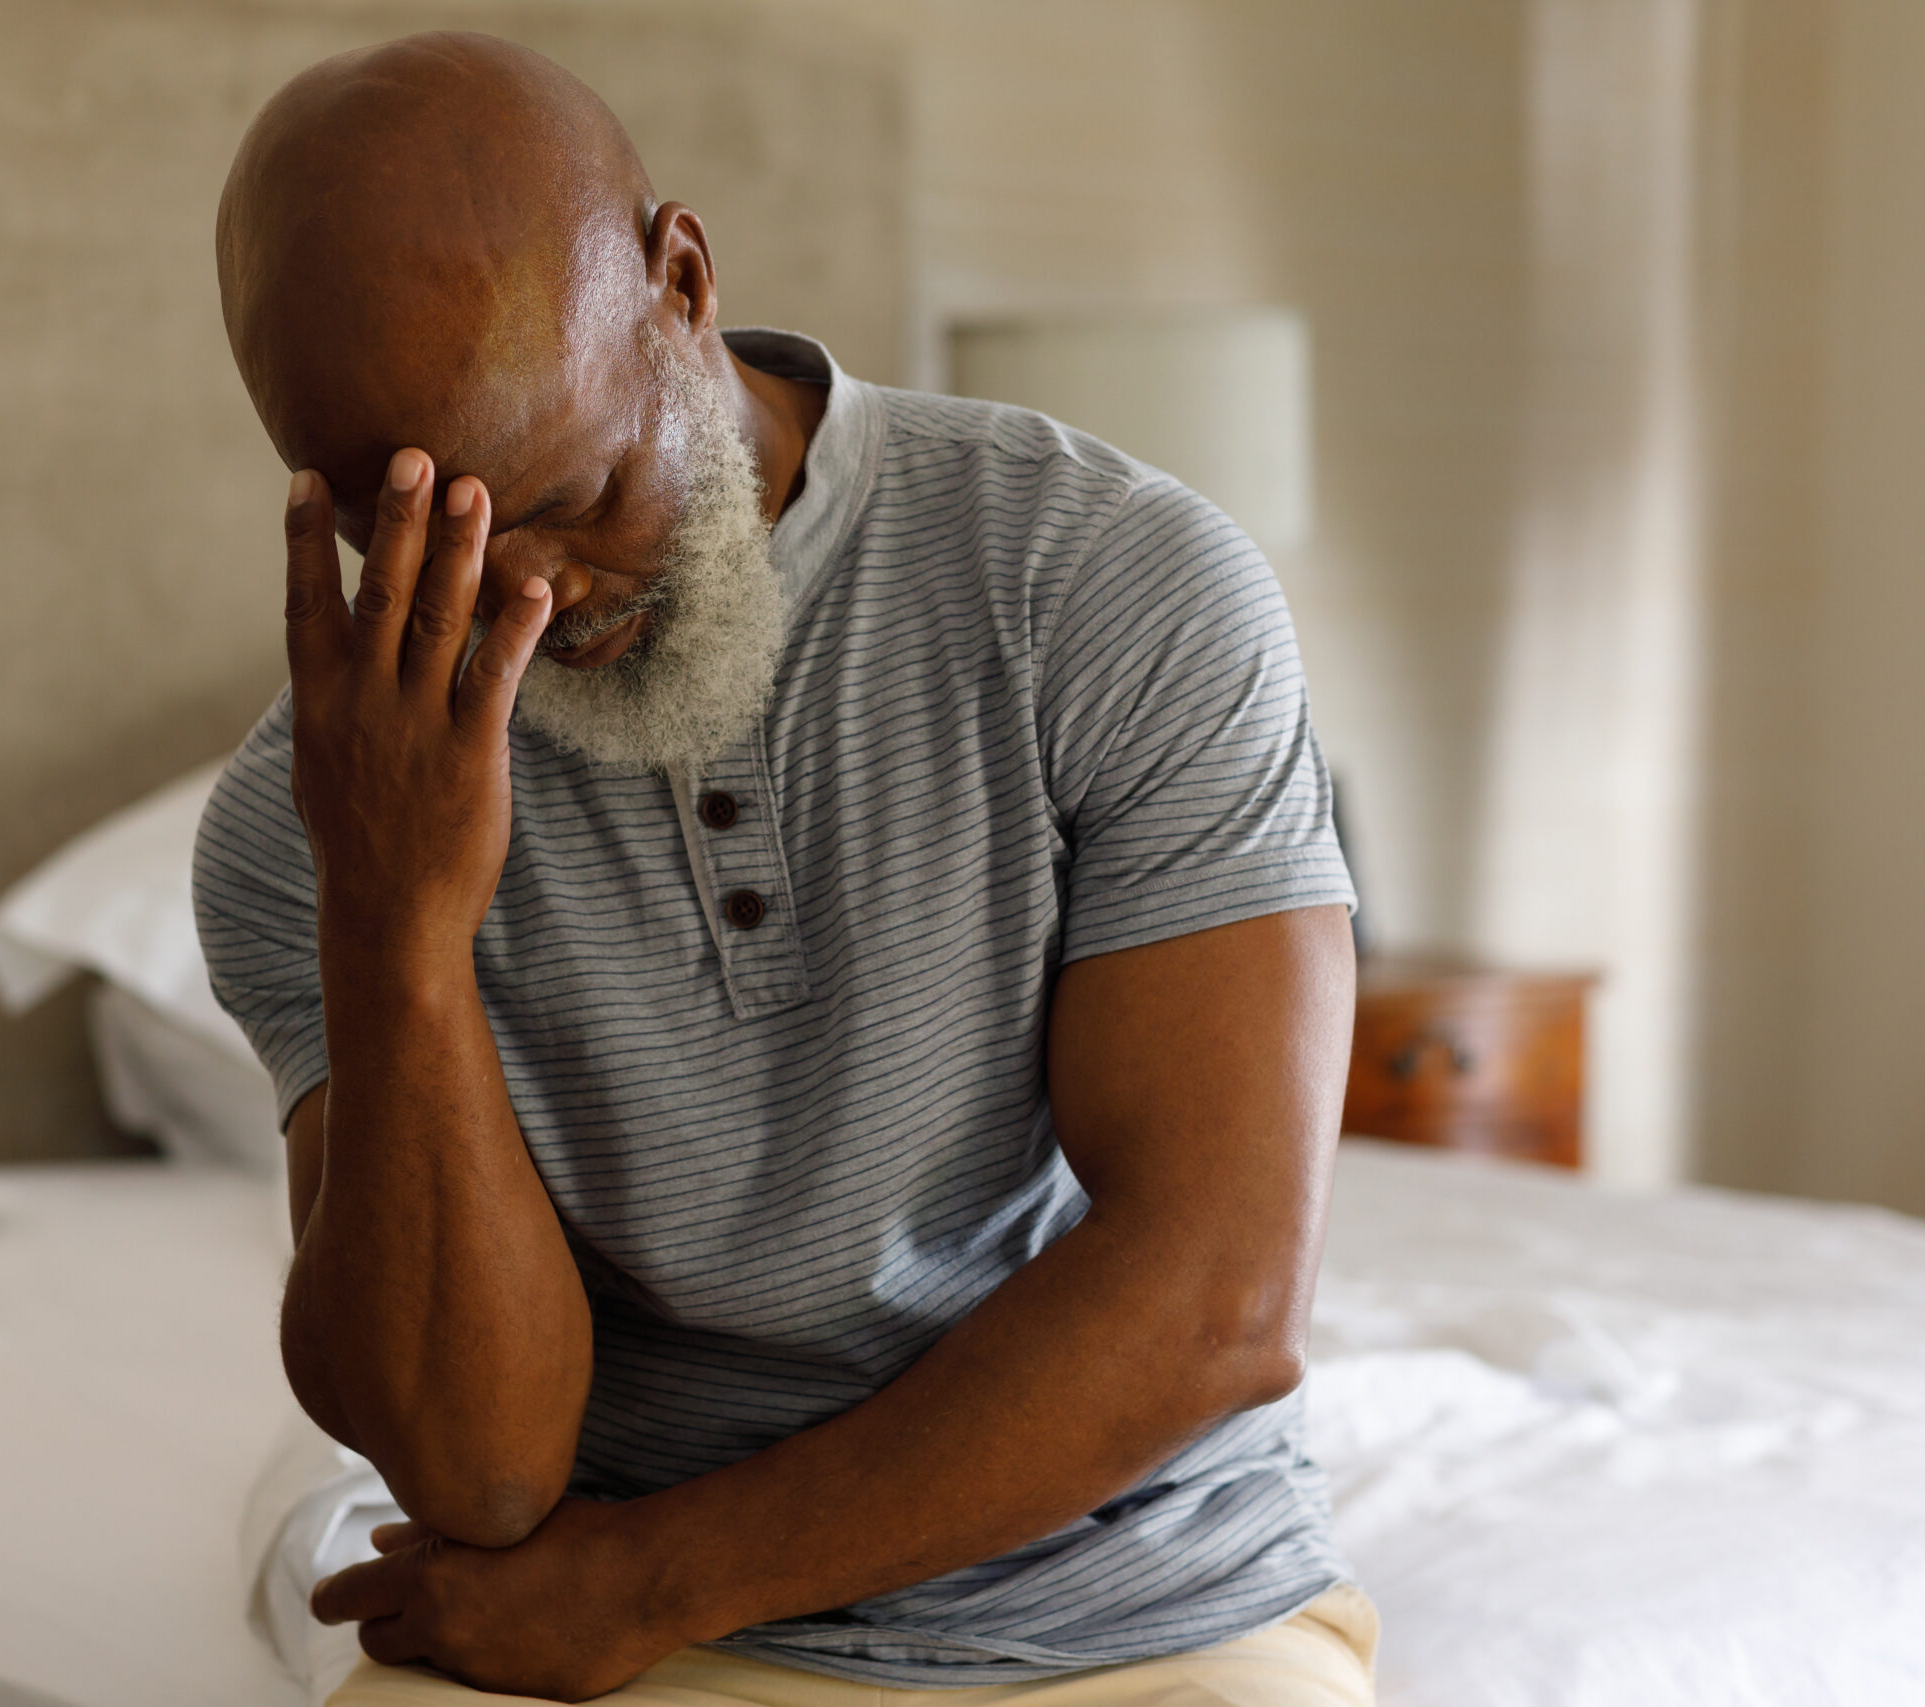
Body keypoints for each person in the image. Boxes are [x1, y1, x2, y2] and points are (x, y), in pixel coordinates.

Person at [195, 30, 1371, 1707]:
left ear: (679, 279)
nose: (534, 606)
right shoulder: (293, 832)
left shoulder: (1104, 584)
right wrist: (397, 926)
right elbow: (481, 1478)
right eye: (438, 537)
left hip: (1135, 1619)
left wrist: (658, 1580)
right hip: (594, 1634)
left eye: (577, 492)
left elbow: (1218, 1297)